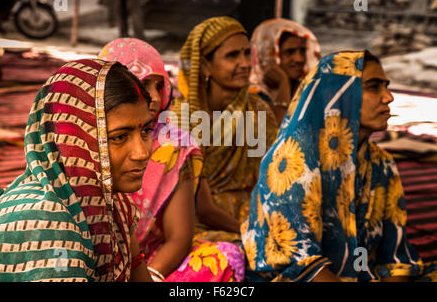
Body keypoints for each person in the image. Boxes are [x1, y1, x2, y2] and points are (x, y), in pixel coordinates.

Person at [241, 50, 437, 282]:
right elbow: (305, 268)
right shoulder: (293, 160)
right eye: (373, 87)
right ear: (338, 94)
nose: (388, 97)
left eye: (386, 86)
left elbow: (394, 258)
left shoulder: (381, 163)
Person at [0, 59, 154, 281]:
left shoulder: (115, 206)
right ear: (73, 139)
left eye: (146, 131)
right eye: (120, 137)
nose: (142, 152)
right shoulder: (48, 222)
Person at [99, 38, 245, 282]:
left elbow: (179, 237)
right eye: (143, 84)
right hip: (95, 257)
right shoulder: (85, 138)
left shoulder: (174, 146)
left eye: (159, 85)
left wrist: (151, 277)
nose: (155, 96)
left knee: (224, 256)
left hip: (150, 260)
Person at [170, 16, 279, 244]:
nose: (244, 63)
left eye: (247, 53)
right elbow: (203, 208)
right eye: (232, 56)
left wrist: (267, 227)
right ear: (205, 65)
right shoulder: (181, 120)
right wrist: (251, 233)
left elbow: (267, 180)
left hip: (252, 217)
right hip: (199, 225)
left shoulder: (257, 111)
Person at [249, 18, 321, 125]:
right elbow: (280, 132)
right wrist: (283, 83)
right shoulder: (252, 96)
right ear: (267, 55)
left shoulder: (305, 91)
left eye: (302, 51)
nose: (299, 59)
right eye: (290, 52)